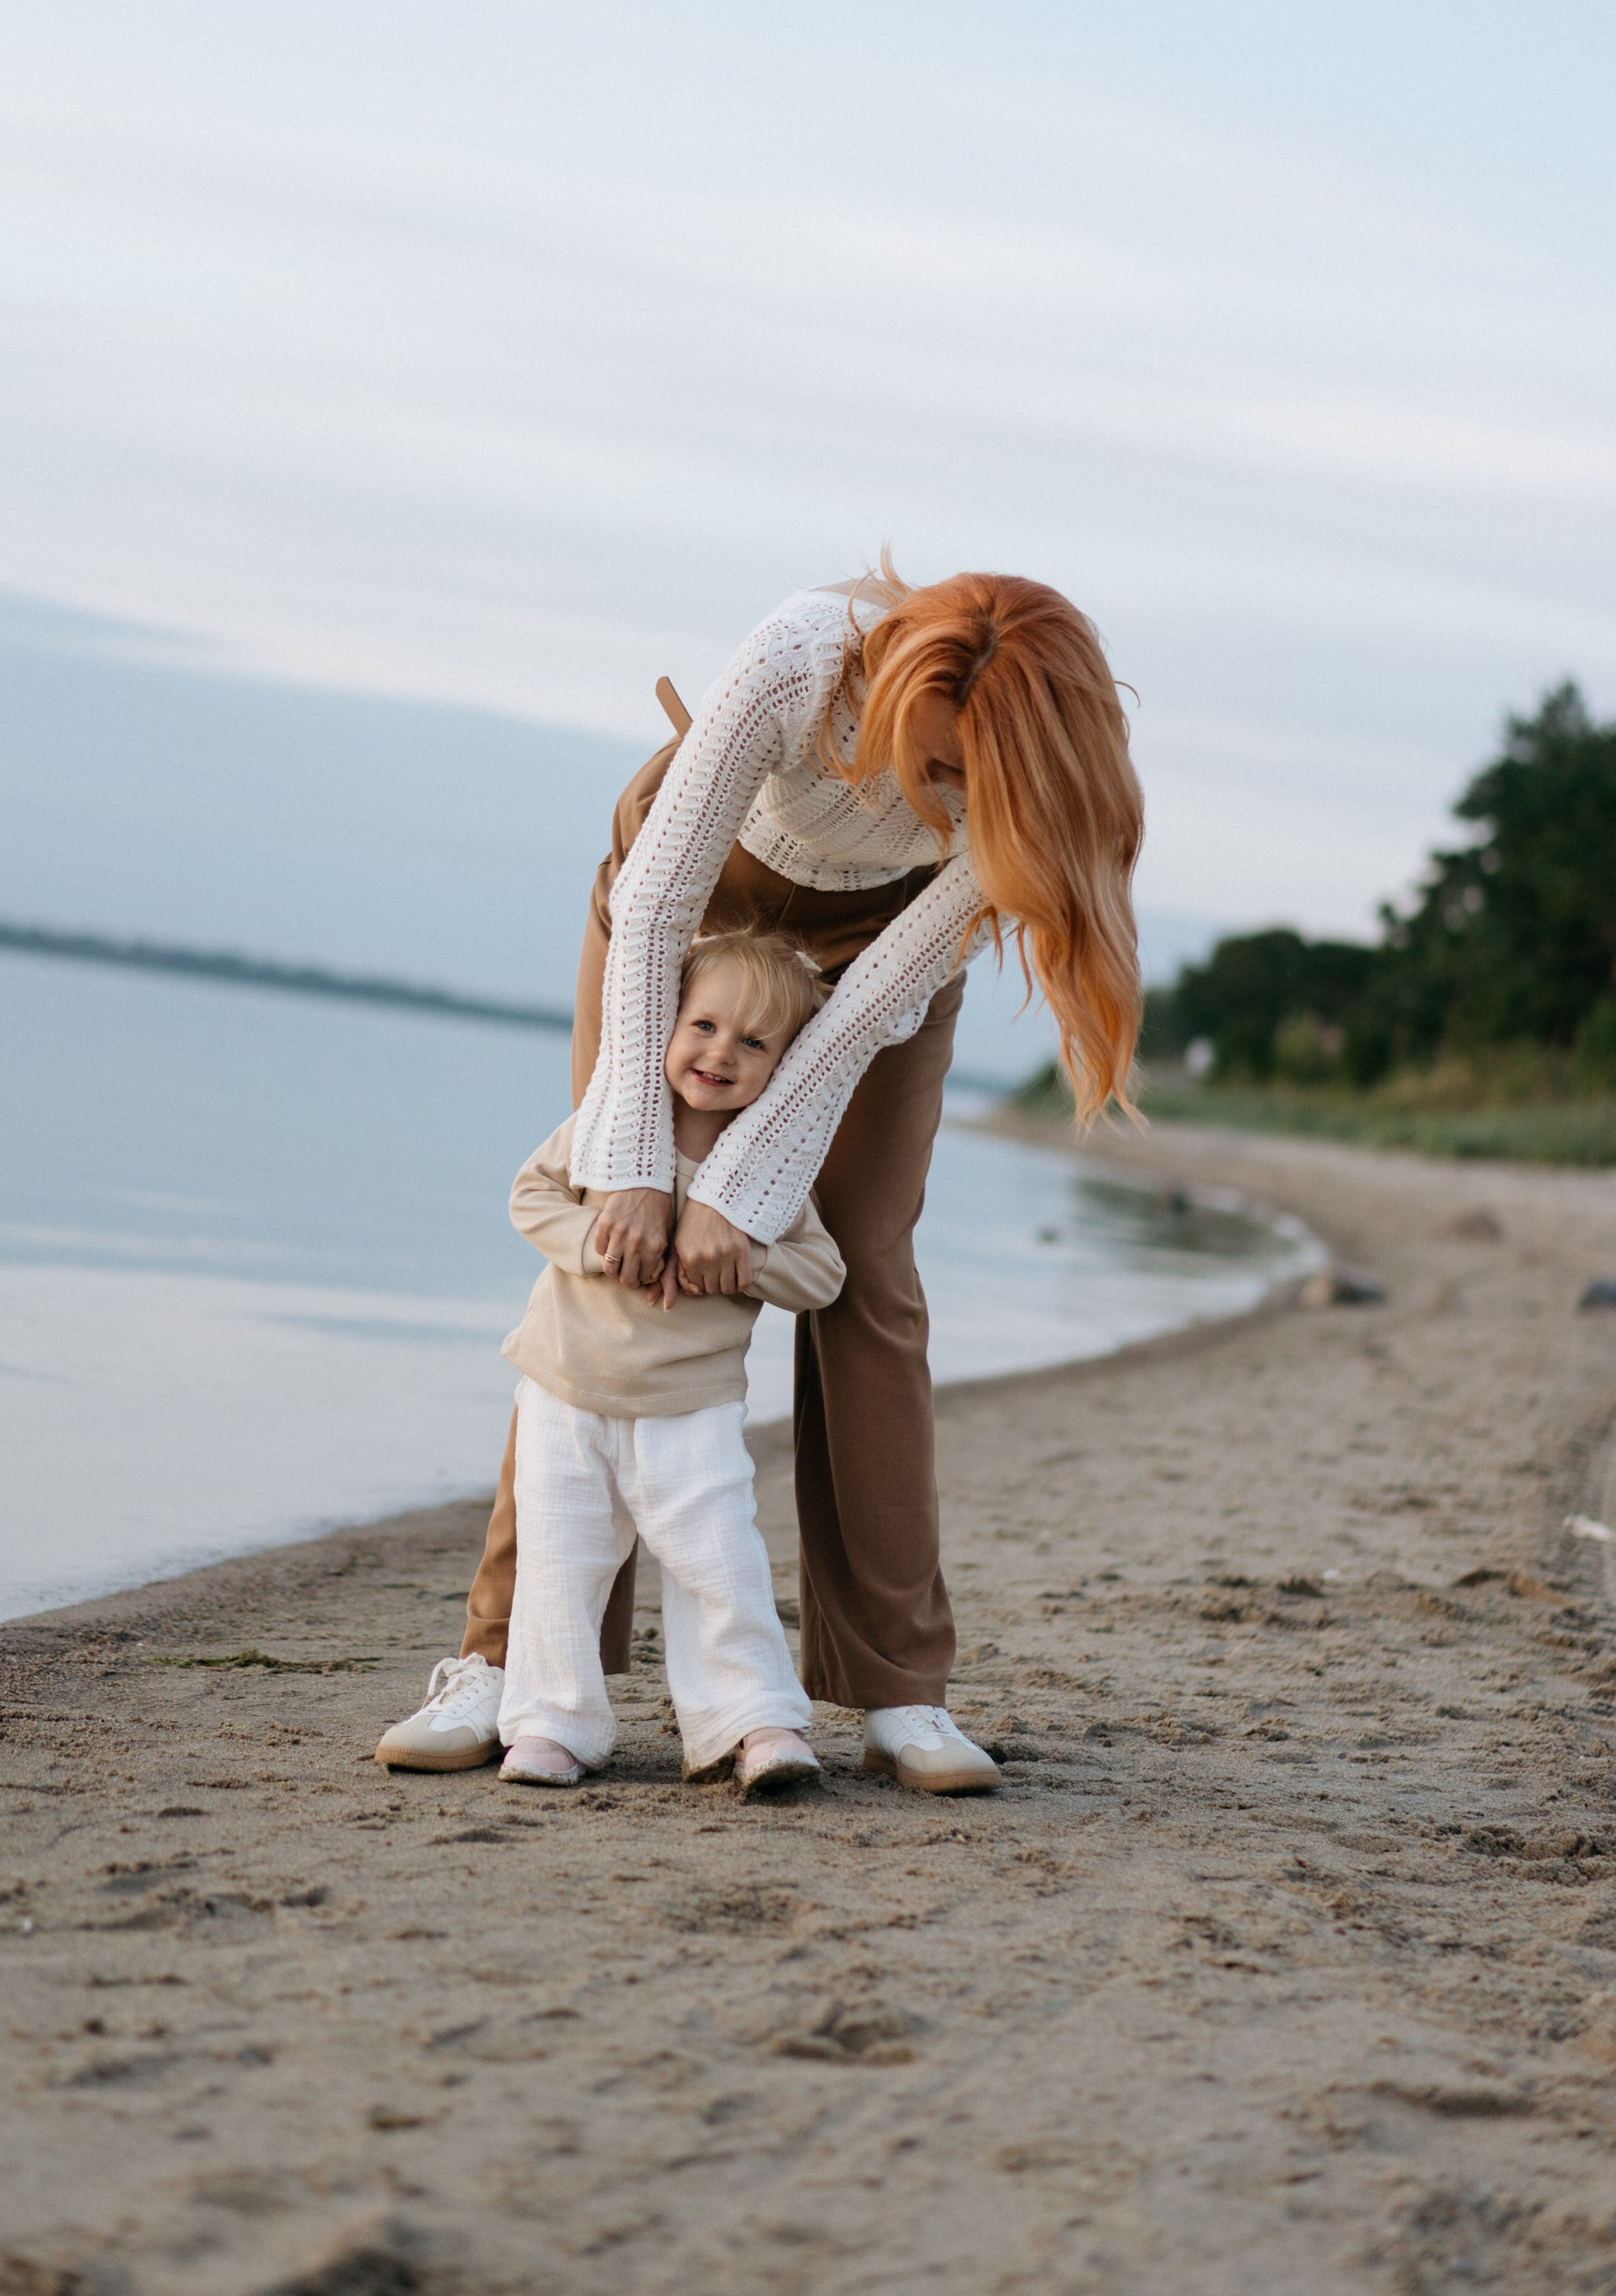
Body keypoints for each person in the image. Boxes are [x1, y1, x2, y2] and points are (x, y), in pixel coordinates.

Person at [376, 564, 1142, 1794]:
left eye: (958, 784)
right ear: (889, 682)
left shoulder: (1044, 785)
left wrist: (741, 1195)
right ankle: (505, 1667)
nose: (928, 791)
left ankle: (900, 1690)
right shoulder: (796, 657)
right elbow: (661, 898)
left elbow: (856, 1024)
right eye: (923, 756)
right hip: (682, 909)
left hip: (878, 957)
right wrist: (637, 1169)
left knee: (868, 1270)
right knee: (602, 1247)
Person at [494, 927, 846, 1795]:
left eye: (753, 1043)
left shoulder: (766, 1172)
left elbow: (825, 1274)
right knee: (560, 1559)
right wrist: (594, 1242)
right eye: (703, 1025)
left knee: (718, 1560)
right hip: (567, 1387)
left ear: (784, 1068)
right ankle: (551, 1724)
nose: (719, 1053)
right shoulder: (613, 1125)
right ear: (667, 1023)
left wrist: (751, 1261)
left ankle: (754, 1720)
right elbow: (528, 1196)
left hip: (690, 1405)